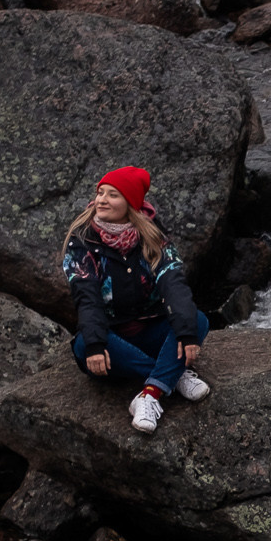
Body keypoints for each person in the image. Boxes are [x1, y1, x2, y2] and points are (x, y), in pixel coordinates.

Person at [62, 165, 209, 434]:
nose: (101, 200)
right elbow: (87, 297)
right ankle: (171, 375)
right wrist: (96, 343)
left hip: (151, 330)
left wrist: (186, 334)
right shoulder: (81, 242)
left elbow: (174, 285)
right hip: (113, 341)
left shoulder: (153, 237)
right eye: (100, 193)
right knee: (84, 345)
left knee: (196, 321)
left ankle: (150, 394)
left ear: (130, 204)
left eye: (113, 195)